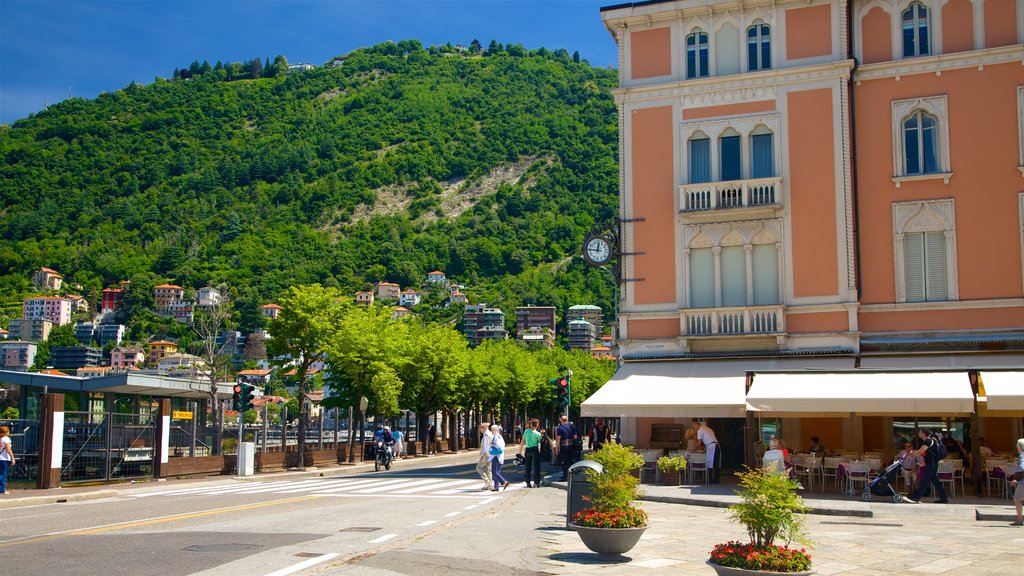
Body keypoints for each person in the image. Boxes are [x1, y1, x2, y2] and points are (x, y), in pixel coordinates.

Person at [904, 428, 947, 504]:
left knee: (925, 481)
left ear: (923, 433)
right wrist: (924, 462)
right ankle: (943, 498)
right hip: (931, 463)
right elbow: (927, 454)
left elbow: (920, 452)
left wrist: (909, 455)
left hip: (931, 464)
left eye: (920, 432)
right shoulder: (928, 441)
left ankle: (917, 497)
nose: (918, 433)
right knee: (936, 482)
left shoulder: (928, 441)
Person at [519, 418, 542, 488]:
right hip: (534, 449)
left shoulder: (526, 431)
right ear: (537, 425)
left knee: (527, 467)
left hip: (527, 449)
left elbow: (522, 441)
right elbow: (540, 441)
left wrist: (519, 451)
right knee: (536, 467)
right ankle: (536, 482)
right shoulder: (537, 433)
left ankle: (528, 482)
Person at [555, 415, 578, 482]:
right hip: (571, 446)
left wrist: (557, 448)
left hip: (564, 447)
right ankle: (571, 476)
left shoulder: (560, 428)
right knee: (570, 461)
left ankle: (565, 477)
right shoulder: (571, 426)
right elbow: (575, 436)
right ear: (567, 420)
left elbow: (558, 438)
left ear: (561, 420)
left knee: (564, 462)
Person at [488, 424, 510, 491]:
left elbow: (498, 445)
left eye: (492, 430)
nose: (491, 431)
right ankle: (496, 487)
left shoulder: (496, 437)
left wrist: (492, 443)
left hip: (496, 456)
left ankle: (504, 482)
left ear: (495, 430)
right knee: (497, 472)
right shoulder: (499, 436)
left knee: (494, 472)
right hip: (499, 456)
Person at [1011, 437, 1023, 527]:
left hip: (1023, 482)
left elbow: (1022, 468)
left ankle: (1019, 519)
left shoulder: (1022, 455)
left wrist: (1016, 479)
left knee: (1017, 498)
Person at [476, 422, 493, 490]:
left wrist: (484, 456)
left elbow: (486, 447)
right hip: (490, 454)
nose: (480, 429)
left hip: (486, 454)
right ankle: (490, 485)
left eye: (481, 427)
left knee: (478, 467)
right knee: (488, 470)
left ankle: (487, 480)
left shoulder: (486, 435)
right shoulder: (490, 434)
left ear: (485, 428)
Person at [0, 425, 13, 495]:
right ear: (6, 432)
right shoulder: (6, 439)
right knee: (3, 474)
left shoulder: (0, 439)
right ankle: (2, 490)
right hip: (4, 458)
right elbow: (8, 449)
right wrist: (12, 458)